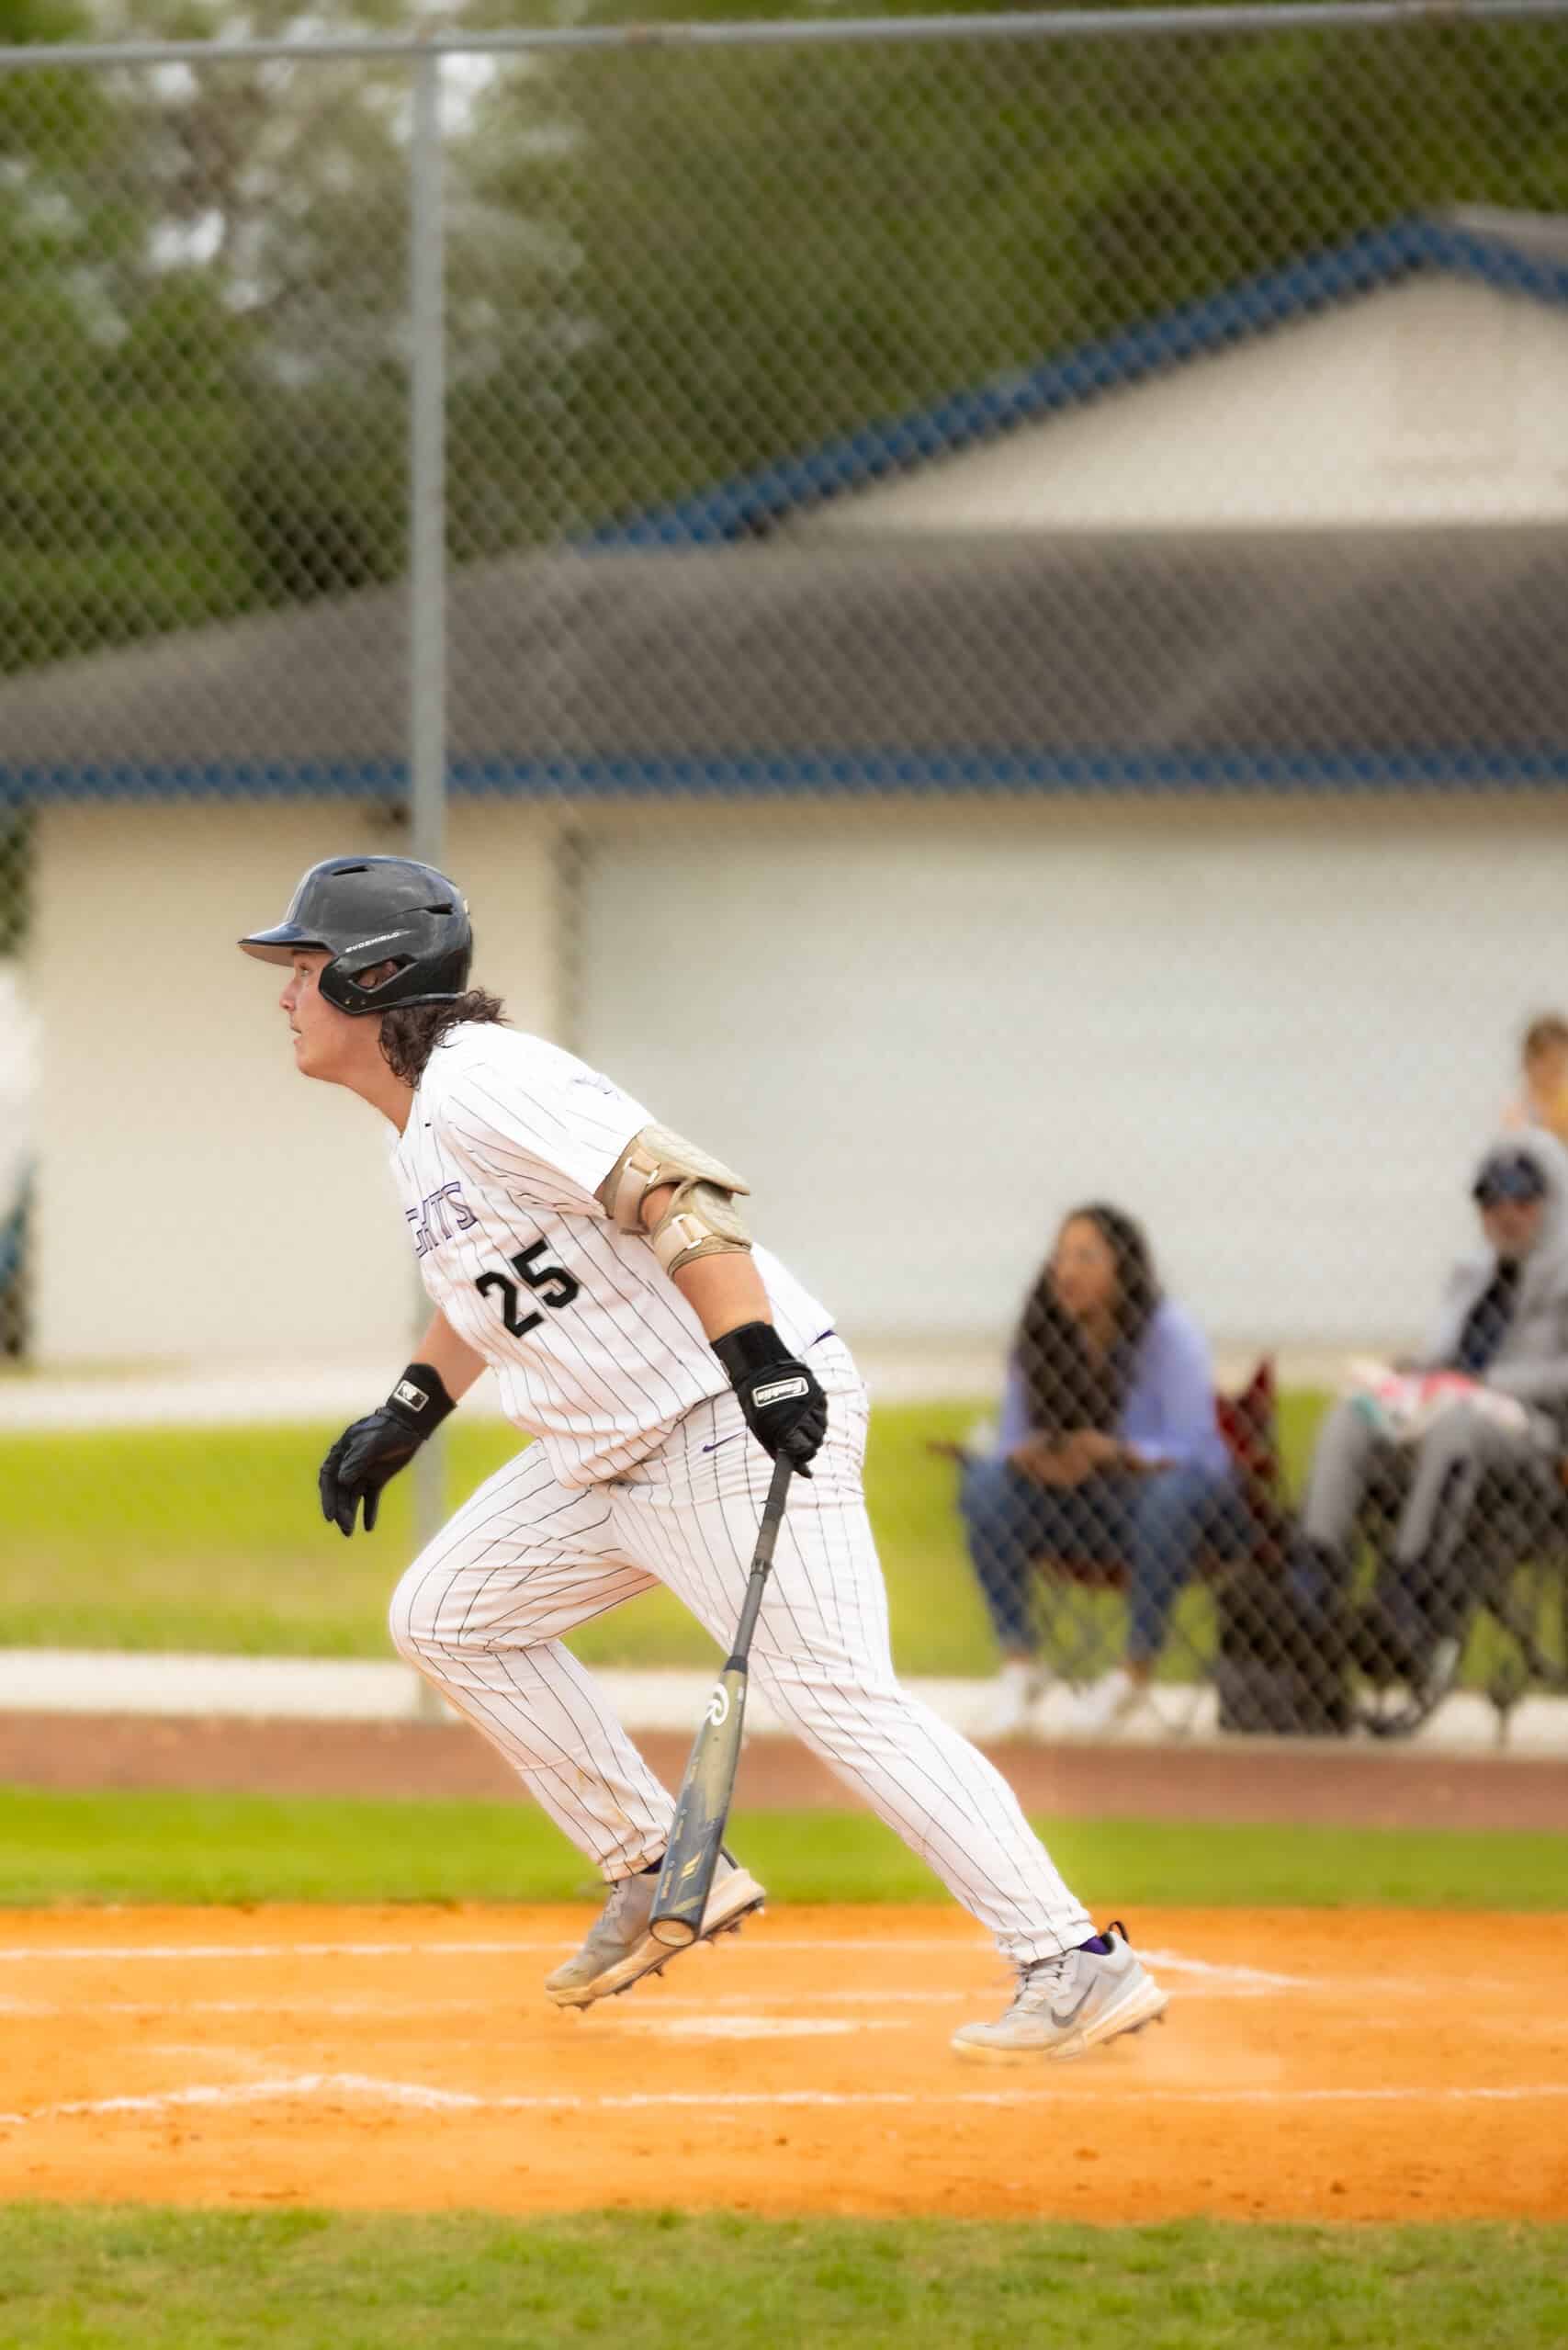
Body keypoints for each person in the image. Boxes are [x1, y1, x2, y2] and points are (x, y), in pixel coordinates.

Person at [238, 854, 1168, 2062]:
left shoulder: (486, 1080)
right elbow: (494, 1291)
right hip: (603, 1448)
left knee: (837, 1695)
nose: (284, 994)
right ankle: (655, 1861)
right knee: (447, 1612)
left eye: (304, 968)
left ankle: (1070, 1960)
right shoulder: (417, 1133)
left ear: (375, 976)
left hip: (718, 1415)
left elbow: (673, 1191)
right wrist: (409, 1409)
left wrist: (760, 1356)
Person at [959, 1205, 1243, 1740]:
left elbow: (1198, 1450)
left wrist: (1114, 1453)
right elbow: (1010, 1438)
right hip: (1078, 1508)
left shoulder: (1169, 1333)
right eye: (1060, 1257)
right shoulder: (1040, 1334)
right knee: (985, 1483)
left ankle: (1133, 1672)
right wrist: (1039, 1457)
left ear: (1125, 1267)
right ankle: (1020, 1665)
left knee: (1172, 1496)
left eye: (1085, 1257)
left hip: (1176, 1516)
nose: (1067, 1271)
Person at [1294, 1133, 1568, 1686]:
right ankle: (1311, 1582)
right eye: (1491, 1200)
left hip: (1532, 1434)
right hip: (1445, 1406)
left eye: (1523, 1199)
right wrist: (1411, 1372)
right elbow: (1444, 1354)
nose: (1506, 1214)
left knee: (1457, 1424)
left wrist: (1486, 1383)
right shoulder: (1469, 1275)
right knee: (1352, 1414)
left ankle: (1409, 1593)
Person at [1503, 1013, 1568, 1152]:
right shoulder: (1517, 1108)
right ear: (1530, 1063)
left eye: (1560, 1063)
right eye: (1549, 1063)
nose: (1556, 1071)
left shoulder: (1564, 1100)